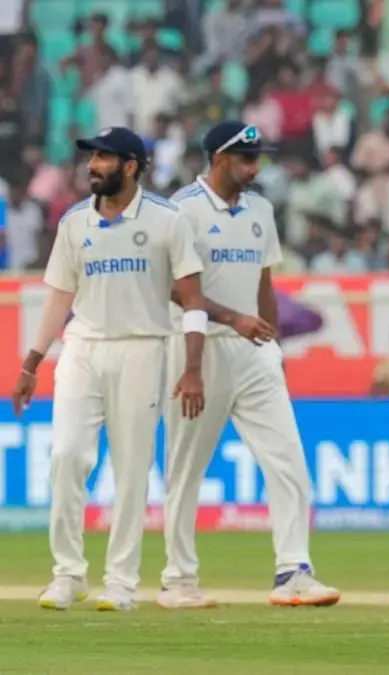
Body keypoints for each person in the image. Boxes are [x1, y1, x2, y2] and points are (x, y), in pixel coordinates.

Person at [13, 127, 208, 611]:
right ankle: (67, 575)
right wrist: (32, 360)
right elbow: (60, 296)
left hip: (144, 348)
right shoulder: (75, 222)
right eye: (91, 157)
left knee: (131, 469)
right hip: (83, 347)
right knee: (66, 457)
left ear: (131, 166)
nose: (92, 165)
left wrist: (193, 367)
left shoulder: (168, 220)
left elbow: (192, 299)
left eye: (103, 157)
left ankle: (120, 583)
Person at [161, 121, 340, 609]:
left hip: (253, 352)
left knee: (289, 462)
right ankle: (178, 579)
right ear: (219, 160)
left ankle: (293, 571)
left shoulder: (260, 209)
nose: (255, 168)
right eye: (246, 159)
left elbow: (265, 284)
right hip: (199, 347)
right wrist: (225, 327)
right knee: (185, 468)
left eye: (257, 158)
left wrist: (271, 344)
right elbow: (175, 289)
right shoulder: (182, 210)